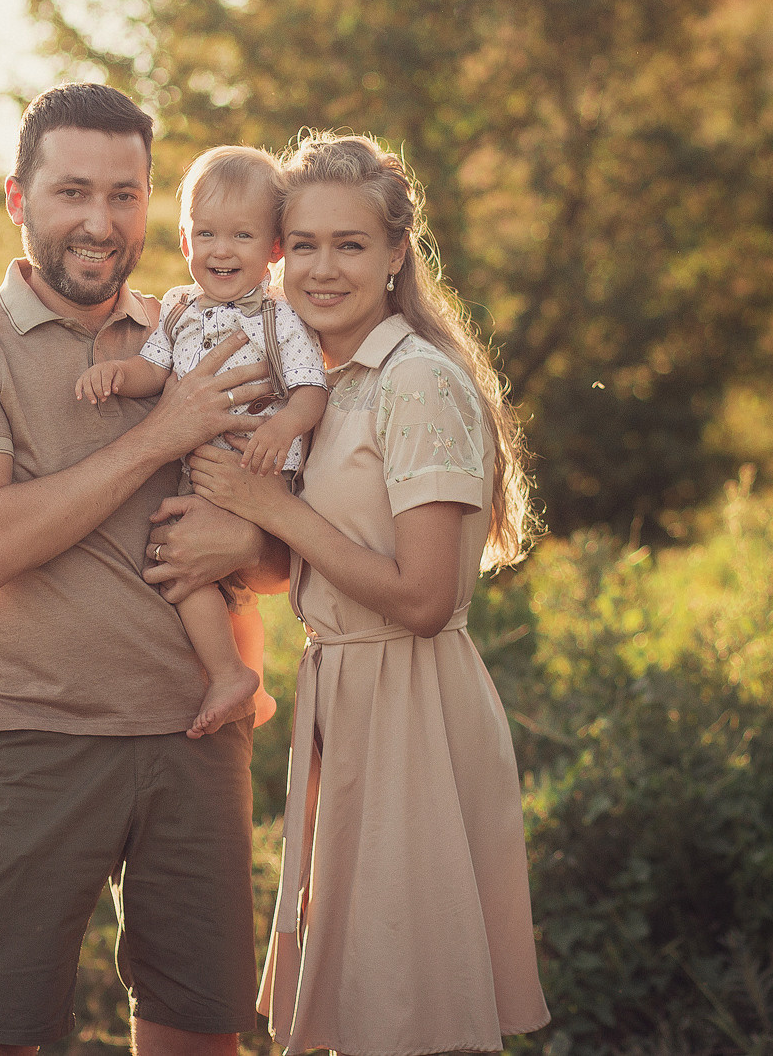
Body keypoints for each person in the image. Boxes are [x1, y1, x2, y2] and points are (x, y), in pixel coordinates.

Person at [0, 83, 287, 1056]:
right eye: (73, 192)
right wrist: (163, 430)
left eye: (125, 195)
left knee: (200, 1039)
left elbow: (279, 555)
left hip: (199, 739)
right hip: (38, 737)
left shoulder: (195, 333)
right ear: (17, 199)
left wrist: (247, 542)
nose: (100, 222)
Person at [185, 132, 552, 1056]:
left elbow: (425, 597)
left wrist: (271, 505)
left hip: (414, 701)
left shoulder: (417, 382)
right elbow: (310, 564)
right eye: (302, 243)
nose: (321, 267)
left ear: (396, 256)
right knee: (357, 1004)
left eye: (349, 244)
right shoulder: (328, 385)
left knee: (409, 1006)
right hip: (340, 696)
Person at [77, 144, 329, 737]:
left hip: (259, 462)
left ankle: (230, 675)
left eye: (241, 236)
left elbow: (310, 391)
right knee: (203, 564)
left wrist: (280, 428)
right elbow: (155, 371)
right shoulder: (178, 308)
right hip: (206, 467)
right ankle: (246, 679)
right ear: (186, 243)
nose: (222, 250)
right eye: (207, 234)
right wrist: (117, 375)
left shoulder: (280, 317)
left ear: (272, 249)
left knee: (178, 556)